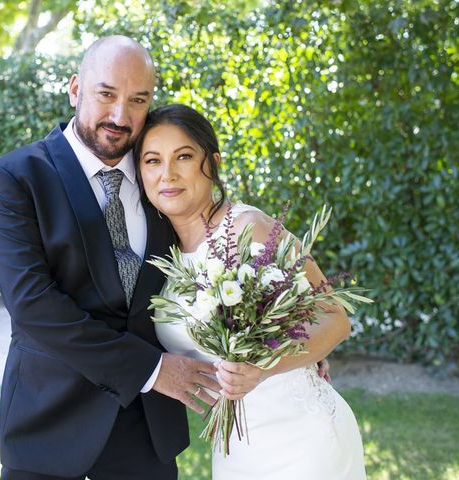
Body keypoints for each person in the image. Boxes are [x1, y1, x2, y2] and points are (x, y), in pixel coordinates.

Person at [0, 37, 221, 480]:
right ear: (75, 89)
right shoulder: (15, 178)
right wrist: (150, 369)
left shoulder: (159, 172)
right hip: (50, 424)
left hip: (147, 430)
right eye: (106, 94)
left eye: (138, 100)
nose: (120, 116)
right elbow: (32, 304)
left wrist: (280, 336)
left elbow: (215, 252)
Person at [134, 104, 367, 480]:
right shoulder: (159, 251)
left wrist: (262, 366)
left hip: (301, 442)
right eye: (152, 160)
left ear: (212, 162)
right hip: (235, 449)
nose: (168, 174)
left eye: (184, 157)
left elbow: (334, 318)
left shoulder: (250, 228)